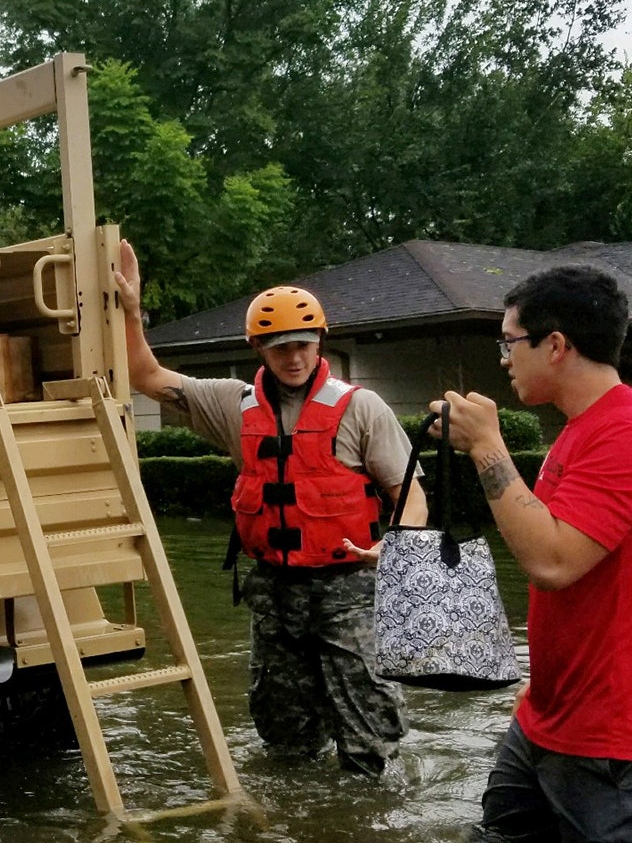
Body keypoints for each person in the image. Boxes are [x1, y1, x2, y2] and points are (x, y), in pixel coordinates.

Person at [112, 241, 422, 776]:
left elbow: (411, 491)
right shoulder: (233, 404)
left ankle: (370, 816)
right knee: (282, 735)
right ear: (259, 348)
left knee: (370, 733)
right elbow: (146, 376)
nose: (294, 357)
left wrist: (395, 547)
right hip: (275, 593)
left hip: (350, 589)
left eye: (303, 344)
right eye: (280, 348)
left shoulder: (361, 407)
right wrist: (133, 313)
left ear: (320, 340)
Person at [433, 265, 632, 843]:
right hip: (549, 716)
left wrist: (485, 444)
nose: (504, 357)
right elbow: (548, 541)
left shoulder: (631, 430)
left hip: (616, 739)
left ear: (555, 345)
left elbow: (553, 562)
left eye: (509, 342)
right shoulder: (582, 428)